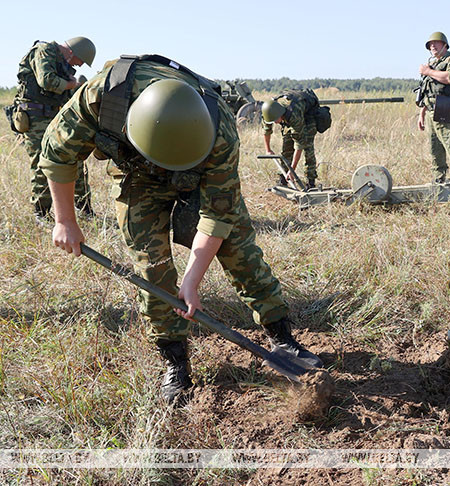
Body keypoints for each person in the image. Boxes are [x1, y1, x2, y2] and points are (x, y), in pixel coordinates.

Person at [40, 55, 323, 405]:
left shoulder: (220, 134)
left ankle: (282, 335)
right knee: (153, 267)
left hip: (198, 174)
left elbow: (219, 215)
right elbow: (57, 153)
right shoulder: (103, 96)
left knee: (240, 252)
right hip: (137, 176)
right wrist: (65, 220)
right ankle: (176, 361)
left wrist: (192, 281)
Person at [14, 36, 96, 218]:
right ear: (72, 52)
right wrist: (73, 83)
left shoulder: (63, 64)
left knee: (75, 158)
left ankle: (85, 210)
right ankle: (41, 213)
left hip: (56, 115)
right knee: (42, 163)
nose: (80, 65)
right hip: (36, 117)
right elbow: (47, 81)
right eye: (81, 61)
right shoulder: (44, 51)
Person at [416, 32, 450, 183]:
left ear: (445, 45)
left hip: (447, 110)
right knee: (435, 150)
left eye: (436, 43)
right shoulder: (432, 65)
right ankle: (438, 179)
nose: (433, 46)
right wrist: (422, 114)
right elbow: (427, 92)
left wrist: (428, 72)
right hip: (431, 113)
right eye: (430, 44)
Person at [261, 89, 321, 188]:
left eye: (276, 120)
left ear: (280, 114)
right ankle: (283, 179)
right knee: (286, 147)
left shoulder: (294, 115)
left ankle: (310, 182)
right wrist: (268, 150)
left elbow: (299, 144)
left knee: (308, 148)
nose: (275, 123)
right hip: (288, 115)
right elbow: (266, 130)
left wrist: (292, 170)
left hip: (308, 116)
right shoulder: (269, 111)